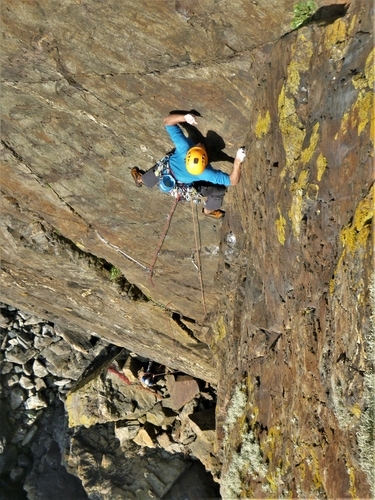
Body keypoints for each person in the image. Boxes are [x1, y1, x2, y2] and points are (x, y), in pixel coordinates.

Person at [131, 113, 246, 219]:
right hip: (181, 184)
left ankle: (140, 179)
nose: (200, 144)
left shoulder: (184, 147)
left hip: (167, 171)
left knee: (160, 170)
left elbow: (167, 121)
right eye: (199, 147)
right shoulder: (205, 173)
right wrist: (237, 162)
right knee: (219, 190)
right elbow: (233, 181)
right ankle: (208, 211)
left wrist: (185, 117)